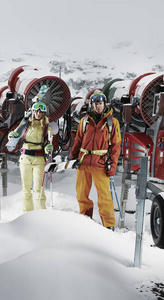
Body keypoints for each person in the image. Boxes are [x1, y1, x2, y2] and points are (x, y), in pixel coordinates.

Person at [69, 91, 121, 229]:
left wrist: (113, 165)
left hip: (101, 163)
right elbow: (78, 140)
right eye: (95, 104)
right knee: (81, 194)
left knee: (104, 196)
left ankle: (108, 225)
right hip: (83, 162)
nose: (97, 106)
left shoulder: (112, 123)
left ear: (105, 104)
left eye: (100, 103)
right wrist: (72, 157)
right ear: (91, 105)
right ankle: (85, 220)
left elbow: (116, 147)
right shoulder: (84, 121)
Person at [8, 101, 53, 212]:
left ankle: (41, 213)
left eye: (40, 112)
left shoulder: (46, 127)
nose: (38, 114)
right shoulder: (26, 124)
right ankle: (27, 214)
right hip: (25, 159)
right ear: (33, 112)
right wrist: (11, 135)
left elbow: (48, 141)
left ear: (44, 113)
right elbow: (15, 133)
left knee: (39, 189)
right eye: (36, 111)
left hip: (39, 159)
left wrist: (48, 148)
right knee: (26, 189)